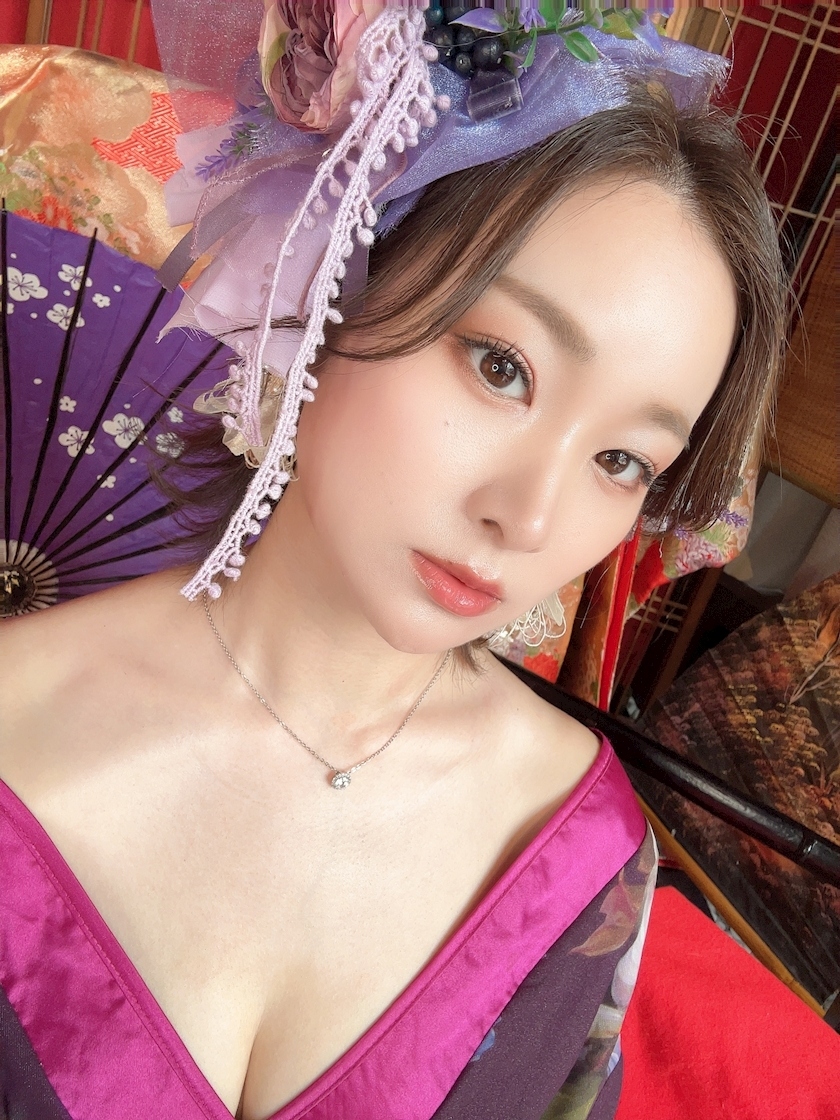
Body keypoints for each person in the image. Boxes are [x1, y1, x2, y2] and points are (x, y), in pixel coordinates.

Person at [0, 5, 786, 1119]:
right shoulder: (21, 733)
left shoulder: (580, 855)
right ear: (332, 272)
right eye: (502, 366)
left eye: (621, 460)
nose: (530, 516)